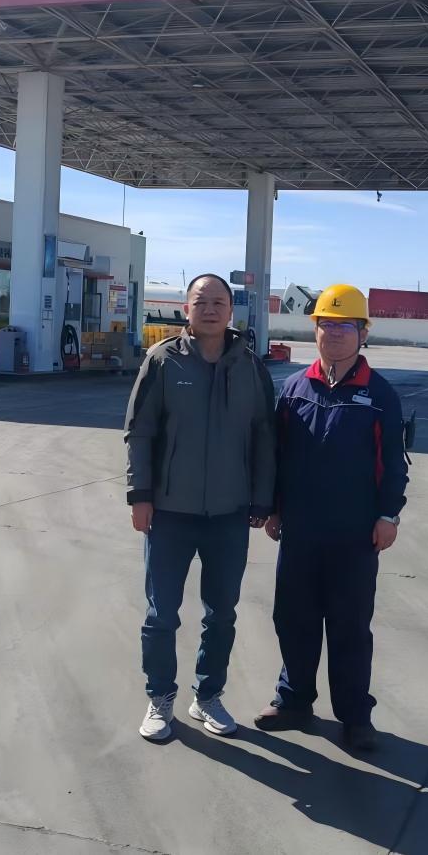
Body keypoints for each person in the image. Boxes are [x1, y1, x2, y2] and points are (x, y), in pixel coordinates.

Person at [254, 283, 408, 753]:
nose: (335, 333)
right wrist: (275, 507)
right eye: (327, 324)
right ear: (315, 330)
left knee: (350, 626)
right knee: (293, 618)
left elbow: (394, 463)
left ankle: (355, 716)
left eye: (345, 326)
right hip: (300, 531)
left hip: (354, 535)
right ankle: (294, 700)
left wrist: (388, 515)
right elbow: (278, 455)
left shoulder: (380, 395)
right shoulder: (294, 388)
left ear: (364, 333)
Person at [124, 273, 276, 742]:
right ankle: (160, 698)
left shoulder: (250, 367)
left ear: (231, 311)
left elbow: (264, 437)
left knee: (222, 613)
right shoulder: (162, 361)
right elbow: (140, 431)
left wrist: (263, 499)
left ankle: (207, 696)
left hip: (229, 515)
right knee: (161, 614)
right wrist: (140, 495)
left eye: (218, 302)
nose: (210, 310)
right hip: (169, 513)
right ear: (185, 310)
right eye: (200, 302)